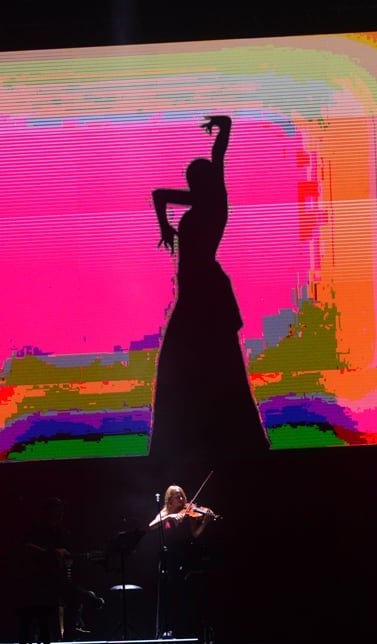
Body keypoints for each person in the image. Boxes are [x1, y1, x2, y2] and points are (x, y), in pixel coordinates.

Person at [151, 114, 269, 460]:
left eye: (194, 179)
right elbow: (159, 195)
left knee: (213, 359)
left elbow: (219, 159)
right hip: (193, 291)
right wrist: (165, 228)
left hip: (206, 292)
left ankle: (225, 433)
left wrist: (225, 128)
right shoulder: (200, 204)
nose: (190, 185)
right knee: (182, 361)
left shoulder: (215, 205)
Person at [19, 497, 105, 643]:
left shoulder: (64, 533)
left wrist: (69, 560)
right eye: (55, 511)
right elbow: (26, 548)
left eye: (60, 512)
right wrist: (52, 553)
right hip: (39, 581)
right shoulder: (37, 530)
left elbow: (68, 558)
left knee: (80, 597)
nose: (58, 515)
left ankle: (72, 634)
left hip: (59, 581)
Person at [148, 484, 219, 639]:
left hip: (184, 555)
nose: (181, 498)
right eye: (177, 496)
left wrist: (205, 522)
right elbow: (151, 526)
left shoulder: (188, 513)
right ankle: (165, 631)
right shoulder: (165, 512)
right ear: (169, 499)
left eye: (182, 495)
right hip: (168, 557)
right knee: (168, 594)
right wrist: (169, 517)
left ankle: (184, 630)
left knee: (183, 594)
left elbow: (195, 534)